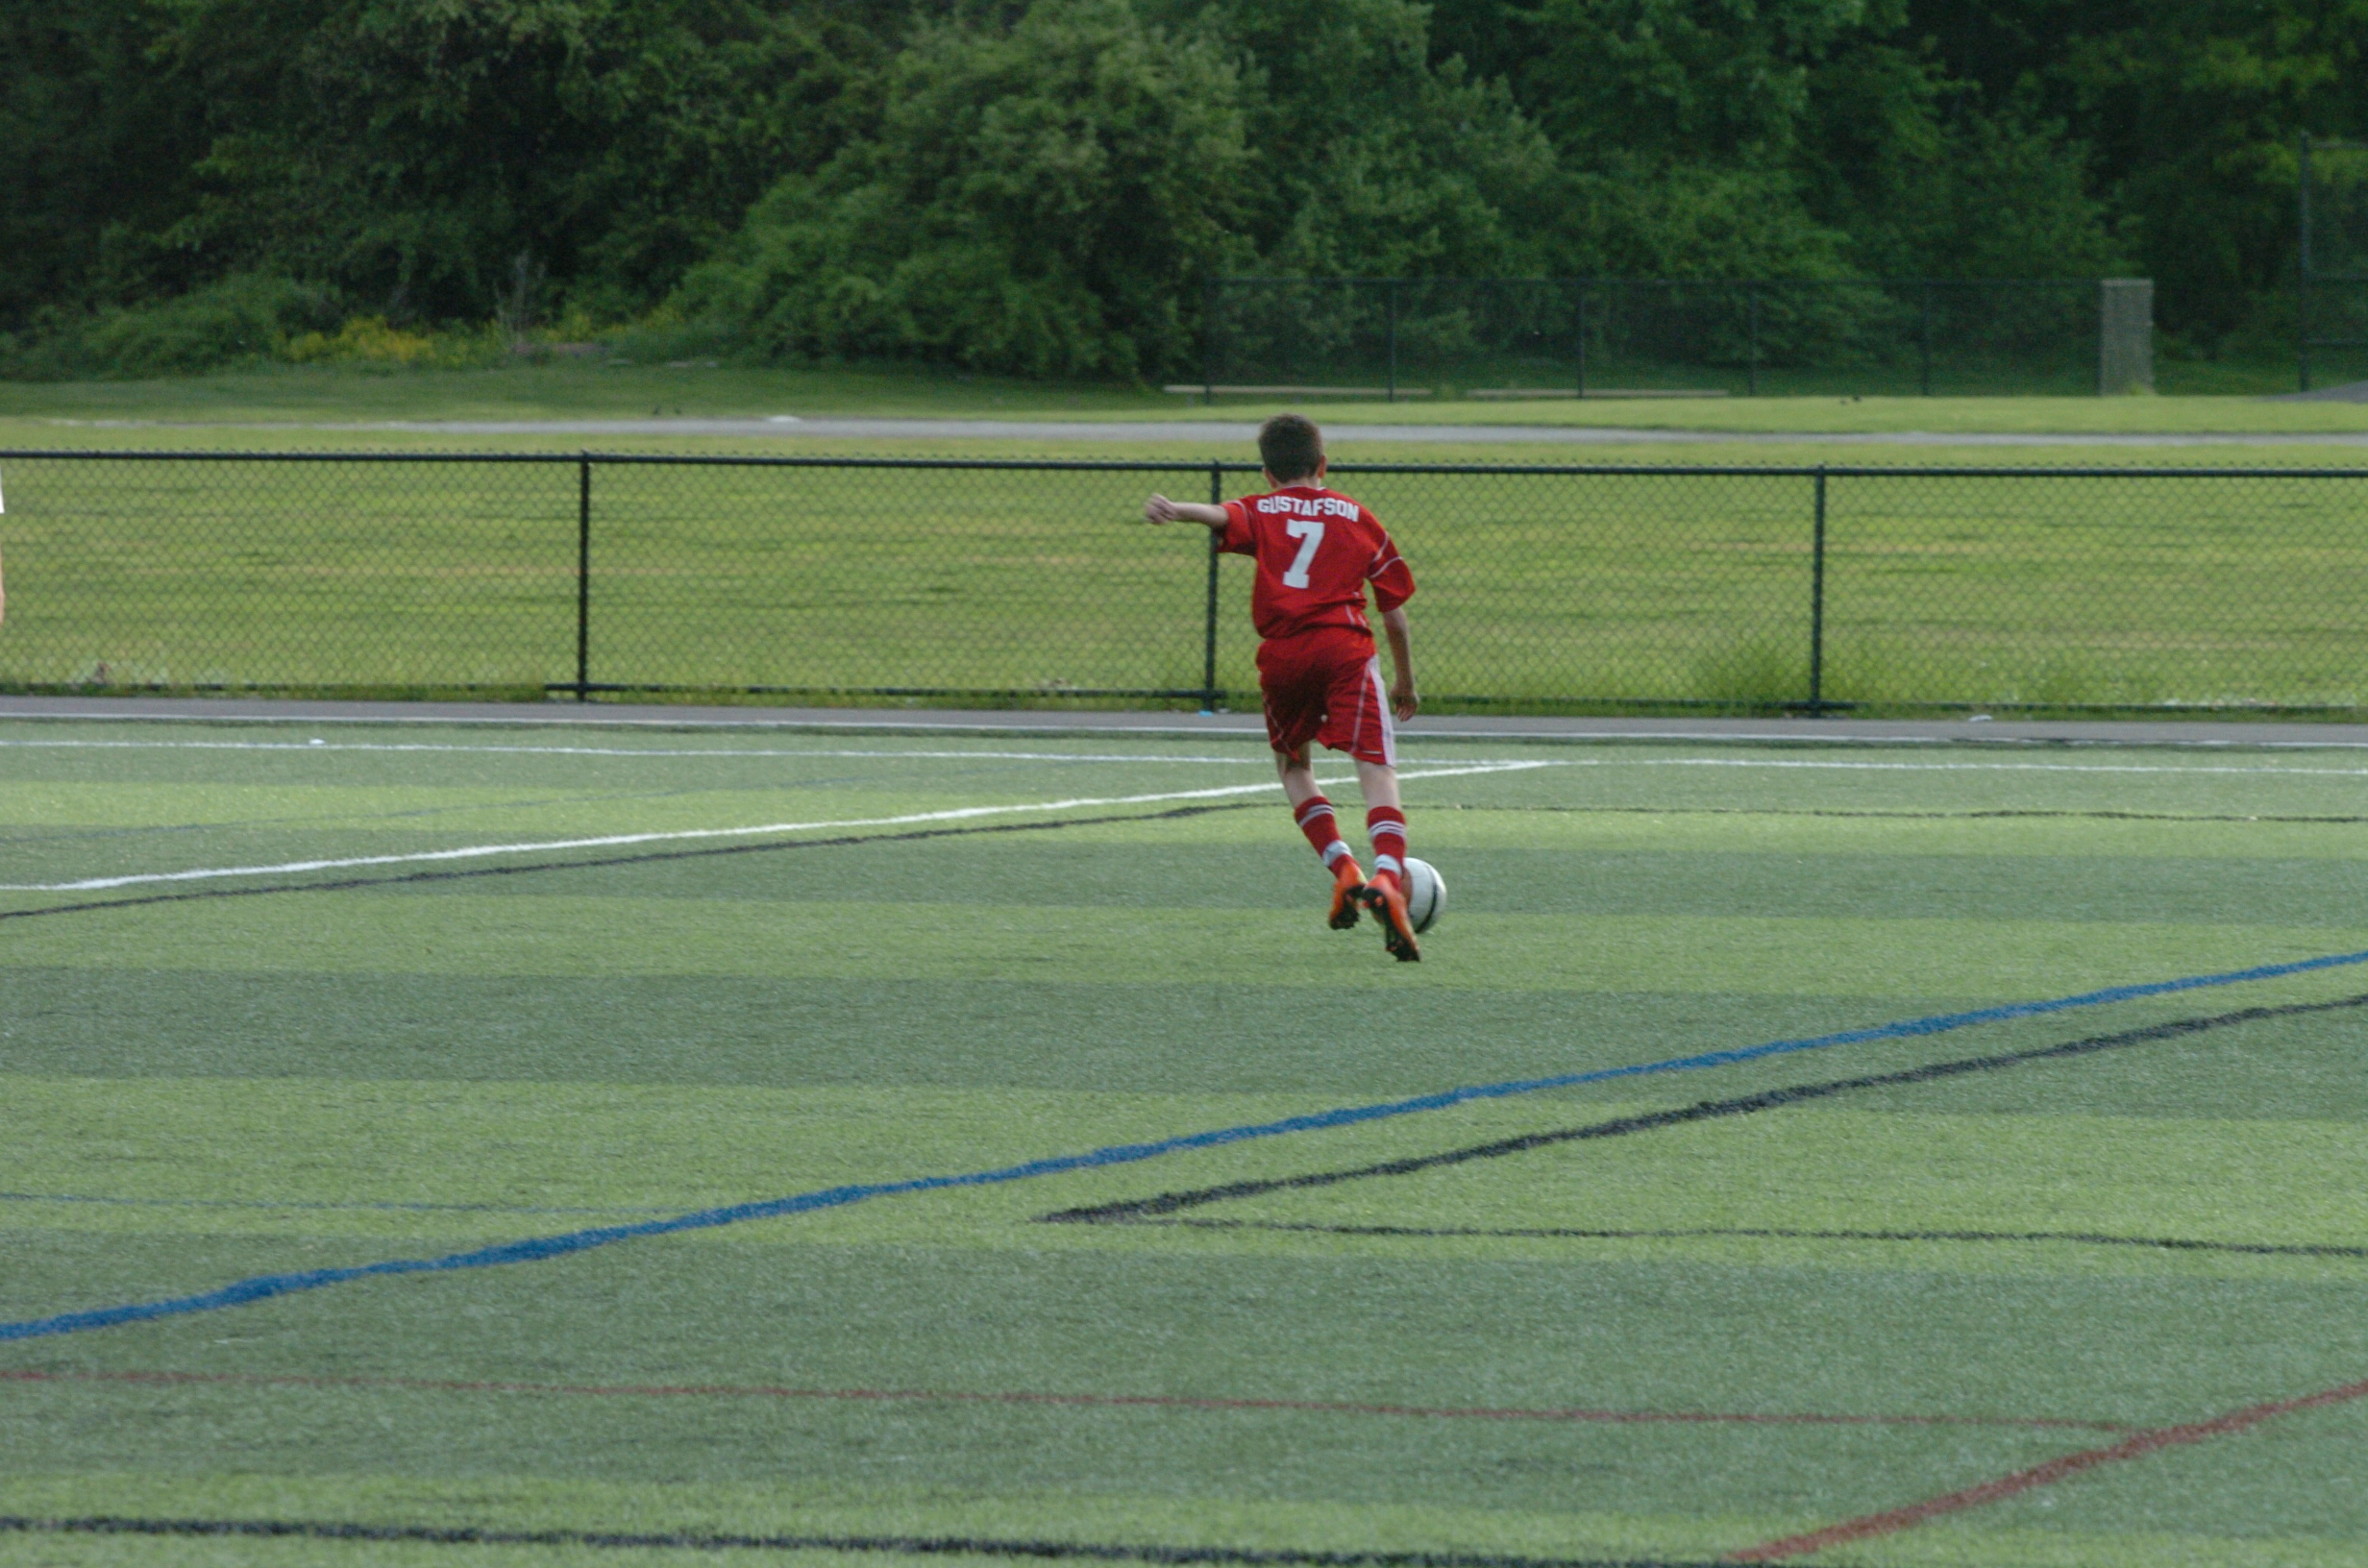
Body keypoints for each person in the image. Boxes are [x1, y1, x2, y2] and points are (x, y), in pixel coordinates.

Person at [1144, 413, 1424, 961]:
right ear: (1323, 464)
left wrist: (1176, 509)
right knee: (1375, 768)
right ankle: (1389, 878)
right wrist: (1406, 682)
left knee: (1294, 767)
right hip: (1344, 652)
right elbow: (1393, 613)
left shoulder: (1262, 508)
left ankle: (1344, 869)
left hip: (1283, 657)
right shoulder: (1358, 517)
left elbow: (1221, 514)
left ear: (1267, 474)